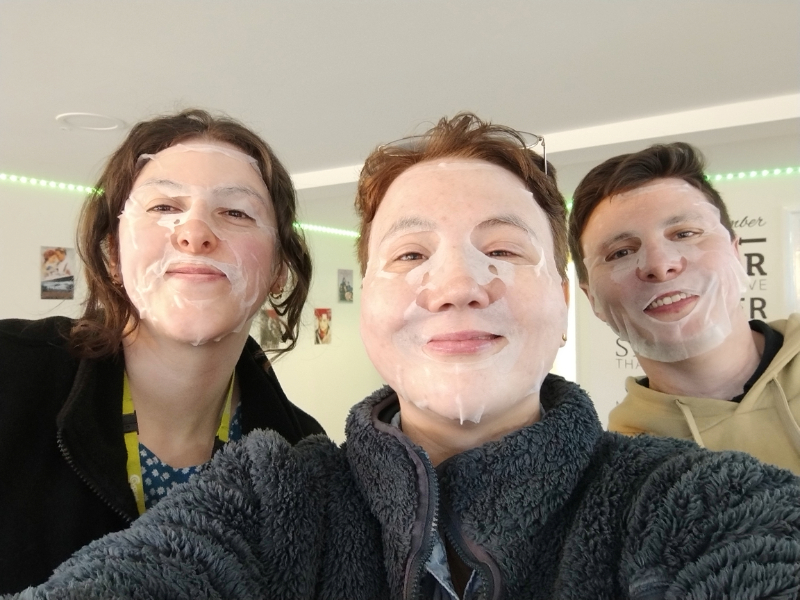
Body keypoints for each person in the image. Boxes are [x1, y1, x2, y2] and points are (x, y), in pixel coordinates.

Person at [13, 115, 799, 599]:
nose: (457, 283)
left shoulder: (691, 503)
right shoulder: (271, 489)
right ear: (372, 313)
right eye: (411, 254)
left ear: (568, 301)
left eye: (502, 246)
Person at [0, 109, 324, 593]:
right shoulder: (10, 372)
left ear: (279, 268)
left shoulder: (301, 453)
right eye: (163, 208)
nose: (194, 234)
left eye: (236, 212)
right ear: (113, 254)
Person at [568, 142, 800, 474]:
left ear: (737, 255)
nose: (660, 265)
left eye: (684, 233)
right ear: (592, 299)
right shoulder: (625, 470)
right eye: (620, 252)